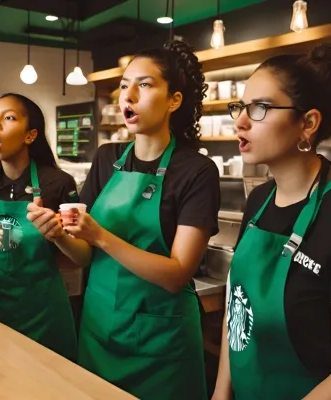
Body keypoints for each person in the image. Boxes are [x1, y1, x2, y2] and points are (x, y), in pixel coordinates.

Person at [62, 40, 220, 399]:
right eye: (123, 85)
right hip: (99, 332)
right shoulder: (107, 158)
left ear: (174, 100)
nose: (128, 95)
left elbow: (178, 274)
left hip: (161, 346)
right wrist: (58, 234)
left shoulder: (196, 171)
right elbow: (84, 255)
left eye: (144, 85)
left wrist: (101, 236)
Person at [213, 44, 331, 400]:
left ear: (308, 123)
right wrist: (221, 392)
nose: (241, 121)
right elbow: (236, 306)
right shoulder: (258, 200)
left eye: (260, 108)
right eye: (240, 107)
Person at [0, 93, 89, 361]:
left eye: (8, 118)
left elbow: (83, 256)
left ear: (30, 136)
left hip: (43, 313)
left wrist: (57, 235)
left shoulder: (58, 183)